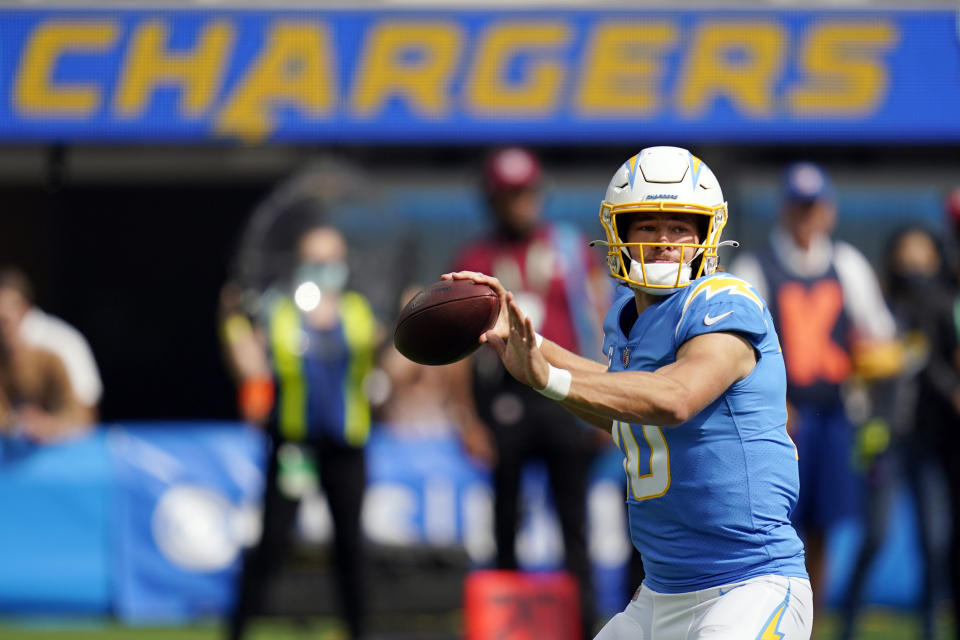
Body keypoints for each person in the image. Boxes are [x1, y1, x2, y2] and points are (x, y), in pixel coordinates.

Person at [446, 146, 812, 639]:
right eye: (646, 226)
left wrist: (550, 378)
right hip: (661, 593)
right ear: (618, 233)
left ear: (707, 234)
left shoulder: (725, 302)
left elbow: (674, 398)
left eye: (680, 227)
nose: (663, 241)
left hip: (746, 584)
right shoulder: (627, 319)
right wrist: (521, 339)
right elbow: (627, 412)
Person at [447, 147, 607, 638]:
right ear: (492, 199)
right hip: (506, 400)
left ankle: (583, 627)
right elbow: (457, 352)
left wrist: (604, 396)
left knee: (575, 526)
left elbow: (598, 322)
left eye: (528, 191)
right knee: (505, 524)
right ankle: (505, 629)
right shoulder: (475, 258)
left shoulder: (569, 247)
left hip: (565, 395)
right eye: (511, 193)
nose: (522, 202)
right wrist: (467, 419)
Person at [727, 162, 897, 620]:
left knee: (821, 527)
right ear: (784, 210)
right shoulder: (755, 267)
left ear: (829, 211)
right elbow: (737, 345)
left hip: (835, 412)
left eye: (813, 207)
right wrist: (767, 399)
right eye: (799, 207)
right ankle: (765, 619)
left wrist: (870, 357)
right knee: (776, 527)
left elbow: (878, 334)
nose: (806, 217)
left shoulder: (846, 264)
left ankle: (809, 624)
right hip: (780, 416)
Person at [226, 224, 378, 640]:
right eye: (315, 260)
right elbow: (251, 365)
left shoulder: (359, 312)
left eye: (331, 260)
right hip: (295, 445)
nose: (323, 269)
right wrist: (235, 329)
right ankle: (238, 628)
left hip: (346, 444)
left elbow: (388, 363)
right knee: (273, 539)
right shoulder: (278, 311)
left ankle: (358, 630)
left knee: (349, 545)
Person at [839, 226, 956, 640]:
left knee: (935, 541)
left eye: (921, 255)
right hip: (883, 441)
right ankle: (845, 624)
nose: (914, 264)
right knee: (875, 537)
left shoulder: (944, 306)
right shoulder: (879, 305)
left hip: (927, 444)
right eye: (906, 254)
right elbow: (860, 359)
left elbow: (940, 366)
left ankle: (930, 629)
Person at [0, 267, 94, 443]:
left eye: (5, 319)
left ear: (24, 311)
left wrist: (49, 425)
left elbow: (85, 414)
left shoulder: (60, 344)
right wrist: (15, 424)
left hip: (62, 455)